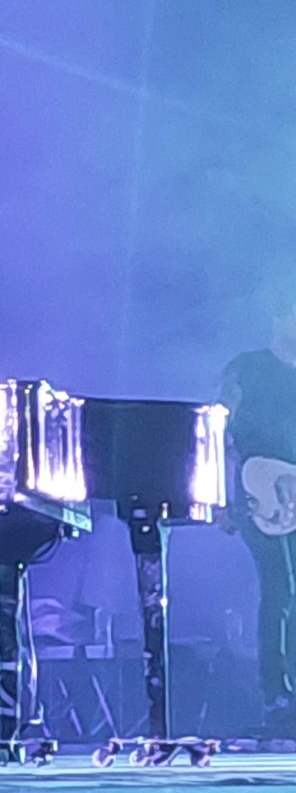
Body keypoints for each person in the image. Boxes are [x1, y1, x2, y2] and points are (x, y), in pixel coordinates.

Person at [220, 278, 296, 733]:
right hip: (259, 493)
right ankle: (277, 693)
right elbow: (217, 433)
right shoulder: (247, 369)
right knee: (280, 587)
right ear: (279, 318)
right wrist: (222, 497)